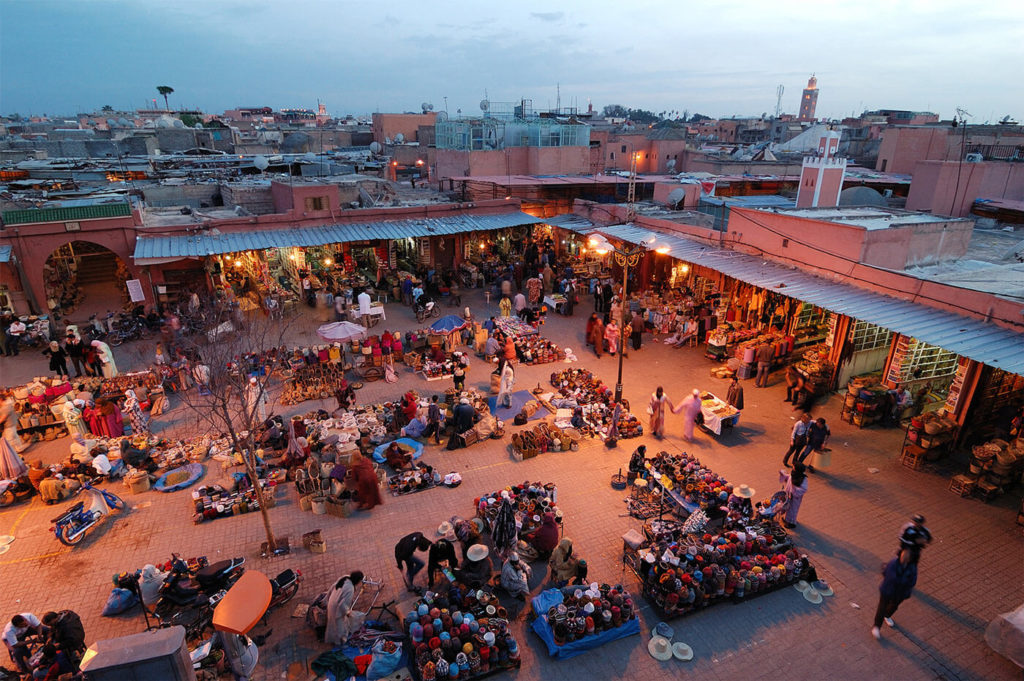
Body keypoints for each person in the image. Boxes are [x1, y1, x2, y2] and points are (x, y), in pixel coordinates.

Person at [872, 549, 917, 640]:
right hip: (888, 590)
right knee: (882, 607)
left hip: (900, 593)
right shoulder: (893, 563)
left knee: (894, 605)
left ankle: (887, 615)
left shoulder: (912, 568)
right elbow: (890, 576)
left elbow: (912, 581)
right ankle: (876, 626)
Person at [325, 571, 364, 646]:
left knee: (333, 624)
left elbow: (333, 586)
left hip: (332, 601)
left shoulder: (345, 577)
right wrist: (347, 612)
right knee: (340, 627)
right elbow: (343, 604)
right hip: (336, 609)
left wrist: (327, 598)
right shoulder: (350, 589)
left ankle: (337, 639)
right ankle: (339, 642)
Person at [779, 463, 808, 528]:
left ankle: (791, 523)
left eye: (794, 467)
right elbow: (788, 477)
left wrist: (794, 488)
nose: (792, 468)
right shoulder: (794, 474)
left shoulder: (803, 479)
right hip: (788, 495)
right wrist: (783, 474)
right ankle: (786, 519)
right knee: (786, 506)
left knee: (792, 510)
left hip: (795, 498)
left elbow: (803, 489)